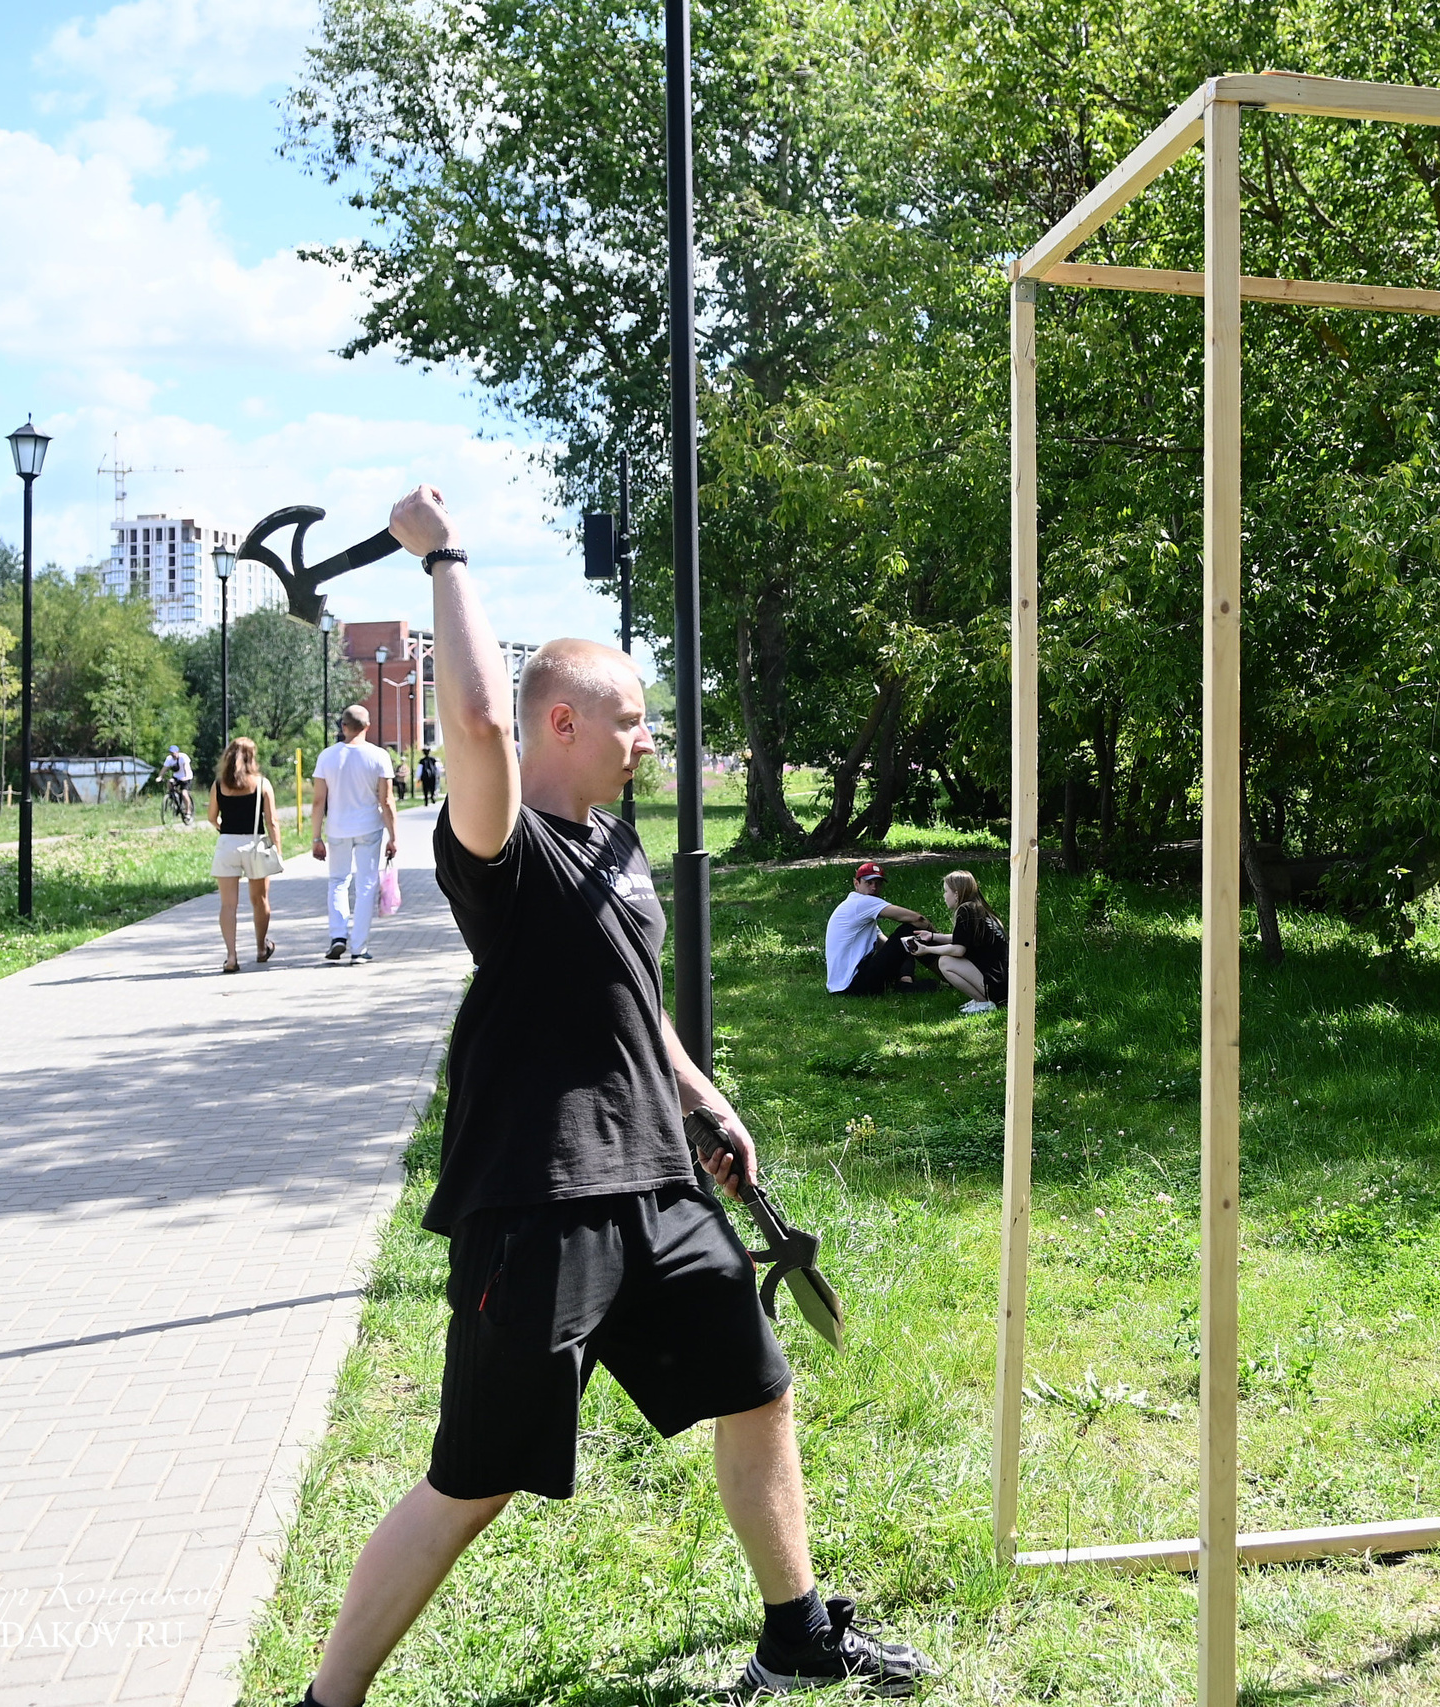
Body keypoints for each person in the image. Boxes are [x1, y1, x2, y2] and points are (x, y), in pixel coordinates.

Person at [284, 485, 935, 1707]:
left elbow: (630, 1002)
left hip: (656, 1184)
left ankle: (795, 1631)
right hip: (538, 1203)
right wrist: (447, 556)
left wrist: (703, 1098)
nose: (650, 743)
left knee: (756, 1389)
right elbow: (474, 722)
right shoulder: (506, 846)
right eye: (631, 723)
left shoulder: (613, 848)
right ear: (566, 722)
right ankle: (325, 1702)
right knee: (473, 1478)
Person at [313, 705, 398, 964]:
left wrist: (316, 838)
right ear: (368, 726)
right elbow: (386, 800)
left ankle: (338, 936)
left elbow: (318, 802)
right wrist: (394, 836)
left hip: (337, 828)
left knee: (338, 881)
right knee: (366, 886)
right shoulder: (379, 756)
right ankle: (359, 948)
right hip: (369, 828)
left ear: (343, 727)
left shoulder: (327, 756)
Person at [207, 737, 282, 973]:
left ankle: (231, 957)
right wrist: (277, 849)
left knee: (228, 905)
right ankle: (261, 948)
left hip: (227, 844)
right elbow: (272, 821)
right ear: (253, 757)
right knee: (259, 900)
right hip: (255, 844)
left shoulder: (219, 784)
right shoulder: (262, 784)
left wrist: (224, 828)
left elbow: (211, 817)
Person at [822, 862, 935, 996]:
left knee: (905, 943)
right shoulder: (862, 902)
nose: (874, 887)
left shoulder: (854, 907)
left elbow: (886, 945)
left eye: (878, 883)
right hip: (854, 985)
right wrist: (937, 937)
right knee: (909, 930)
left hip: (843, 987)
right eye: (869, 883)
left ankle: (905, 982)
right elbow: (917, 919)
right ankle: (947, 973)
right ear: (856, 883)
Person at [905, 870, 1006, 1014]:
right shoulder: (978, 909)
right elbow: (962, 938)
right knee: (947, 959)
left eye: (946, 891)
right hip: (1001, 984)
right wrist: (932, 937)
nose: (944, 895)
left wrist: (926, 950)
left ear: (957, 894)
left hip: (994, 986)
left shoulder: (966, 910)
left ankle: (984, 1002)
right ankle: (982, 1000)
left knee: (945, 961)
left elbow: (958, 949)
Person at [163, 744, 194, 826]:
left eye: (174, 753)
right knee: (169, 782)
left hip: (186, 777)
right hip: (177, 777)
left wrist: (186, 777)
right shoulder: (169, 759)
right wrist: (159, 776)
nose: (173, 755)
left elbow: (186, 768)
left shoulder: (184, 757)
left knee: (184, 793)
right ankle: (173, 798)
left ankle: (188, 811)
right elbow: (164, 768)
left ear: (177, 752)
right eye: (171, 753)